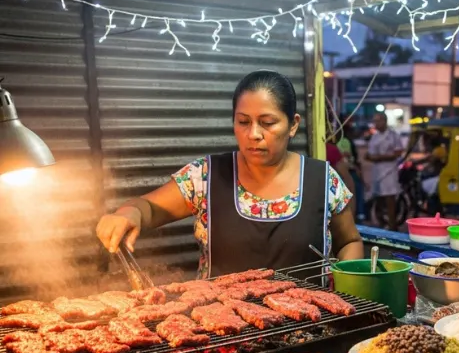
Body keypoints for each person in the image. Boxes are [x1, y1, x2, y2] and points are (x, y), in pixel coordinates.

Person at [96, 70, 363, 278]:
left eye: (268, 123)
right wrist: (128, 213)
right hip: (221, 339)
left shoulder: (322, 180)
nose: (253, 134)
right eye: (243, 122)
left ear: (293, 125)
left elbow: (349, 240)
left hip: (312, 333)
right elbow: (148, 208)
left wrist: (348, 288)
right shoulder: (205, 177)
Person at [365, 112, 403, 231]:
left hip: (389, 170)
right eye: (374, 121)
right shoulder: (374, 136)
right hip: (377, 171)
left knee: (390, 199)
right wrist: (372, 158)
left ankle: (393, 226)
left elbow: (398, 152)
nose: (376, 123)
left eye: (378, 121)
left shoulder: (393, 135)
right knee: (378, 199)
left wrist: (380, 157)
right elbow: (368, 155)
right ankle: (382, 224)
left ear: (385, 121)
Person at [336, 121, 365, 221]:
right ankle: (358, 214)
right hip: (348, 171)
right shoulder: (345, 141)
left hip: (345, 170)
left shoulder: (337, 143)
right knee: (354, 191)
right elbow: (347, 158)